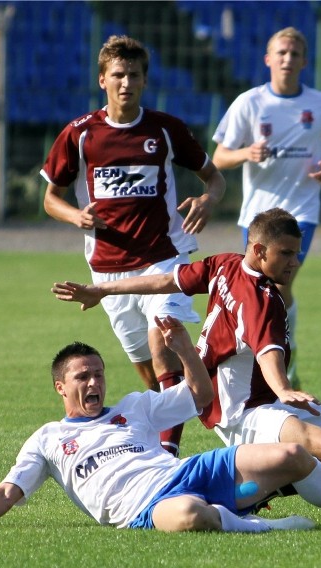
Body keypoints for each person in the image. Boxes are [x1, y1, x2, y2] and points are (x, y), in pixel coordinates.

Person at [51, 208, 321, 529]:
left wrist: (101, 289)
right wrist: (285, 388)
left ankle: (269, 485)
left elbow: (167, 280)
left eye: (297, 253)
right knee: (320, 442)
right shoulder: (262, 299)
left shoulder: (224, 265)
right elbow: (268, 353)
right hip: (240, 407)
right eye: (286, 254)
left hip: (263, 397)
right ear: (259, 250)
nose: (294, 262)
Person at [0, 316, 321, 533]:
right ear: (60, 388)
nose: (94, 383)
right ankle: (266, 526)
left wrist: (184, 350)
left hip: (186, 471)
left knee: (295, 454)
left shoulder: (135, 406)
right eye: (82, 377)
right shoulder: (48, 439)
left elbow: (200, 397)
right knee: (187, 514)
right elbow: (8, 492)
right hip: (144, 508)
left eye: (98, 374)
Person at [41, 35, 227, 457]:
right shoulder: (80, 134)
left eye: (135, 75)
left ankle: (166, 460)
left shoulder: (164, 129)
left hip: (164, 259)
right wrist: (75, 216)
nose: (127, 82)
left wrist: (208, 200)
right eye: (119, 75)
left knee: (166, 350)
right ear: (102, 79)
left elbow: (214, 178)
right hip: (108, 271)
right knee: (149, 373)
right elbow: (50, 198)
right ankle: (172, 427)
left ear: (145, 81)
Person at [211, 26, 321, 387]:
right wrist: (245, 152)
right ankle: (272, 354)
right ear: (268, 59)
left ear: (304, 61)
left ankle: (284, 354)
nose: (288, 59)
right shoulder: (249, 102)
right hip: (257, 214)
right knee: (260, 286)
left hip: (301, 210)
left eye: (294, 54)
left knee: (280, 280)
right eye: (281, 53)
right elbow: (219, 157)